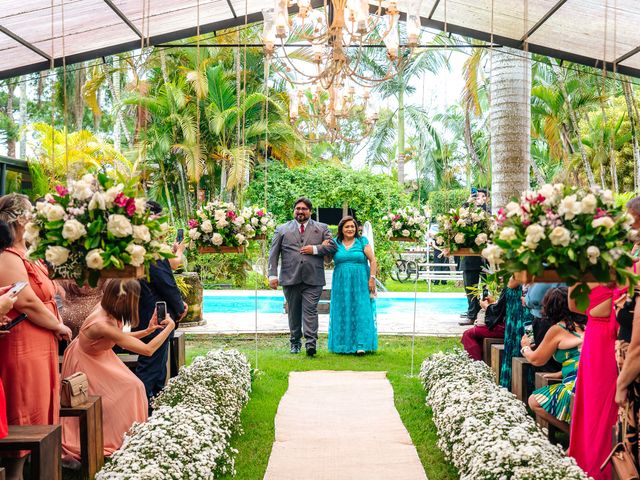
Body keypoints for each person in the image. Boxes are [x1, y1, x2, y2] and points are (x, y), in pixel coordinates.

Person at [61, 279, 175, 461]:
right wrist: (169, 328)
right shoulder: (101, 323)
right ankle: (118, 438)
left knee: (134, 386)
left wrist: (148, 330)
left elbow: (120, 336)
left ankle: (130, 436)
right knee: (127, 390)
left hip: (101, 355)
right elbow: (147, 350)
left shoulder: (108, 309)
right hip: (87, 362)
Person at [0, 194, 72, 480]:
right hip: (23, 343)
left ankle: (36, 470)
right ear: (20, 221)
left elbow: (49, 294)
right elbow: (26, 301)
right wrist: (58, 325)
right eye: (32, 215)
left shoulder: (29, 254)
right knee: (24, 406)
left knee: (42, 406)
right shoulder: (7, 257)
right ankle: (16, 472)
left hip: (40, 343)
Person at [134, 201, 187, 407]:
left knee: (158, 366)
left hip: (149, 310)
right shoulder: (148, 248)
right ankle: (144, 410)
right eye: (159, 219)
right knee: (151, 366)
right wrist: (179, 306)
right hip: (154, 312)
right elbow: (165, 282)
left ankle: (154, 406)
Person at [268, 197, 337, 356]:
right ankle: (295, 342)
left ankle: (311, 344)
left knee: (311, 310)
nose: (300, 211)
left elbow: (332, 246)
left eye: (304, 209)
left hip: (313, 278)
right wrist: (272, 275)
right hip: (290, 277)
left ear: (310, 211)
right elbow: (273, 254)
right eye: (297, 208)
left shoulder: (321, 228)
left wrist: (314, 249)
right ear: (294, 210)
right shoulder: (282, 229)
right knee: (293, 311)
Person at [568, 282, 621, 480]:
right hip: (598, 342)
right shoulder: (620, 270)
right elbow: (573, 305)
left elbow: (573, 305)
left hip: (603, 343)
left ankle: (598, 464)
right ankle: (593, 463)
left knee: (600, 406)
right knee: (594, 405)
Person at [521, 287, 585, 430]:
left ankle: (573, 434)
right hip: (588, 376)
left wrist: (525, 348)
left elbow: (537, 360)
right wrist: (560, 373)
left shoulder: (558, 329)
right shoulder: (585, 324)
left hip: (577, 384)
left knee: (534, 401)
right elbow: (578, 356)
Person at [328, 216, 377, 354]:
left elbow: (373, 261)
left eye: (352, 226)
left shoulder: (362, 241)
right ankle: (343, 344)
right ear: (341, 229)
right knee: (342, 310)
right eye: (347, 227)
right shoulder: (335, 243)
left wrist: (372, 279)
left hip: (361, 281)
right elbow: (327, 261)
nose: (350, 229)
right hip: (341, 282)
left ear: (356, 229)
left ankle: (361, 344)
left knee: (361, 310)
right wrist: (325, 247)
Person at [459, 188, 489, 326]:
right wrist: (468, 203)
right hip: (469, 258)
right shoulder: (467, 211)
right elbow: (459, 218)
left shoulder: (488, 213)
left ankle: (486, 315)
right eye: (477, 196)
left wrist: (482, 207)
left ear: (487, 199)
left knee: (486, 288)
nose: (479, 198)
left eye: (483, 196)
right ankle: (472, 314)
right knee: (470, 288)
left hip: (485, 258)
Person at [461, 288, 507, 361]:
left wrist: (486, 306)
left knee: (468, 334)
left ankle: (475, 363)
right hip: (506, 326)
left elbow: (498, 311)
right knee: (477, 334)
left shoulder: (510, 289)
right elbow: (501, 308)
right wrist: (493, 303)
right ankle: (481, 359)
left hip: (505, 327)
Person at [499, 276, 528, 390]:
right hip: (514, 313)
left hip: (520, 314)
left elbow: (511, 282)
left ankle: (520, 387)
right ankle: (511, 386)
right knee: (513, 346)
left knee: (517, 347)